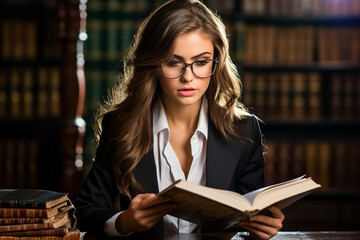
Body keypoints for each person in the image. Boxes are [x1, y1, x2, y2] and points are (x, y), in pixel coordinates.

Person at [75, 0, 285, 239]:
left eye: (201, 62)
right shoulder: (121, 126)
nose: (188, 77)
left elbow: (248, 216)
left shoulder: (246, 131)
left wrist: (263, 228)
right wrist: (125, 221)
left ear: (216, 62)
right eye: (174, 62)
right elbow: (85, 212)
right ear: (154, 64)